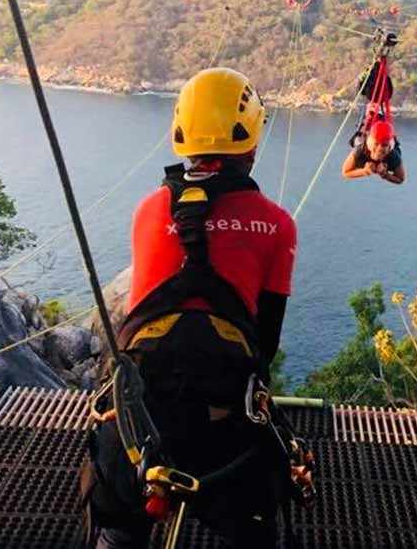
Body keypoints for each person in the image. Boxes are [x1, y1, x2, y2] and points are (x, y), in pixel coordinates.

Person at [82, 67, 297, 549]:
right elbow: (266, 341)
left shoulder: (149, 209)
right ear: (252, 139)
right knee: (253, 527)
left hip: (138, 420)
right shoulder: (277, 225)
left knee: (117, 530)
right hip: (225, 425)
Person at [342, 119, 405, 184]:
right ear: (370, 143)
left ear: (389, 147)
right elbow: (346, 172)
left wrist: (385, 175)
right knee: (357, 140)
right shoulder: (359, 151)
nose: (379, 149)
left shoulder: (394, 156)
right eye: (376, 144)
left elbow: (400, 179)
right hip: (364, 141)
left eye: (384, 145)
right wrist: (364, 171)